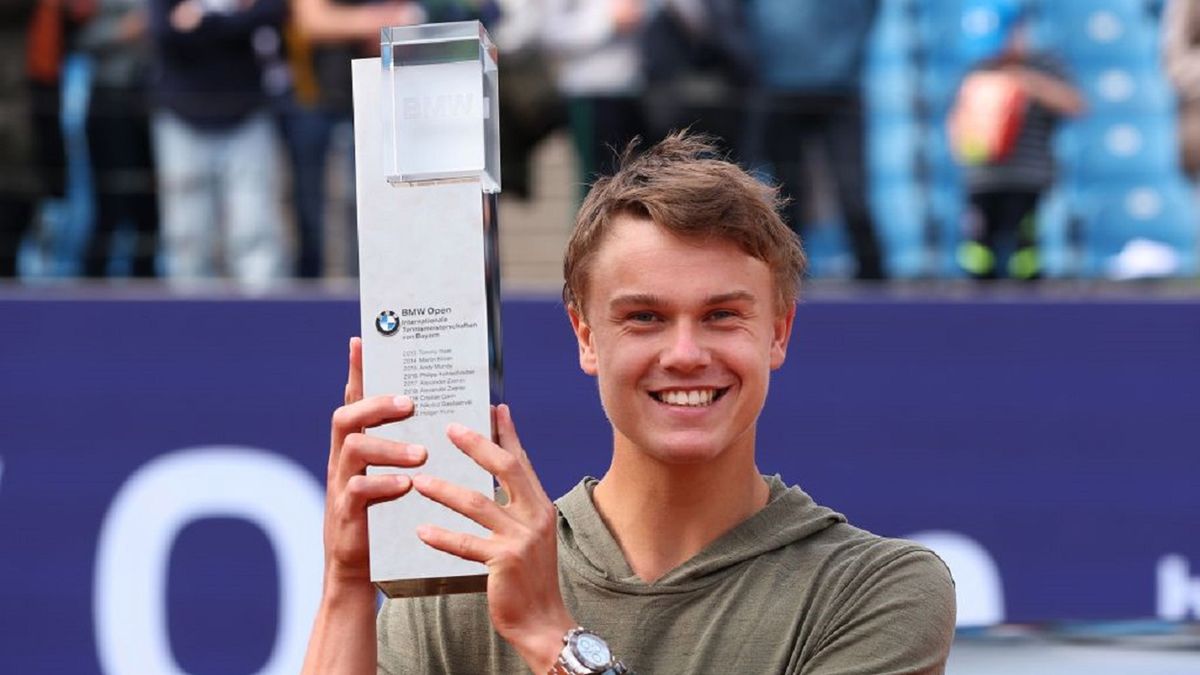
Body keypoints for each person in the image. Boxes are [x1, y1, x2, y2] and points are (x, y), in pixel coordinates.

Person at [303, 132, 956, 674]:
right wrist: (346, 583)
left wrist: (553, 639)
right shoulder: (466, 579)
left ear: (778, 331)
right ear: (585, 333)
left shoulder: (876, 589)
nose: (684, 353)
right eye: (644, 317)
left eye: (722, 315)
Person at [147, 0, 289, 284]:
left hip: (246, 112)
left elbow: (275, 13)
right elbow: (165, 30)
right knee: (187, 237)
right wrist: (235, 19)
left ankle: (267, 321)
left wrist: (203, 21)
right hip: (182, 115)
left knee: (255, 231)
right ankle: (190, 324)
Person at [747, 0, 886, 280]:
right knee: (786, 193)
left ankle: (874, 282)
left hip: (840, 89)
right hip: (780, 87)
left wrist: (848, 57)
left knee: (853, 193)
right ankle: (787, 280)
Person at [952, 0, 1084, 280]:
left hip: (1027, 178)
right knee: (979, 252)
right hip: (982, 178)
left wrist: (1026, 83)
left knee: (1025, 253)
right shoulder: (976, 69)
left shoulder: (1043, 65)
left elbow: (1075, 104)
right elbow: (957, 123)